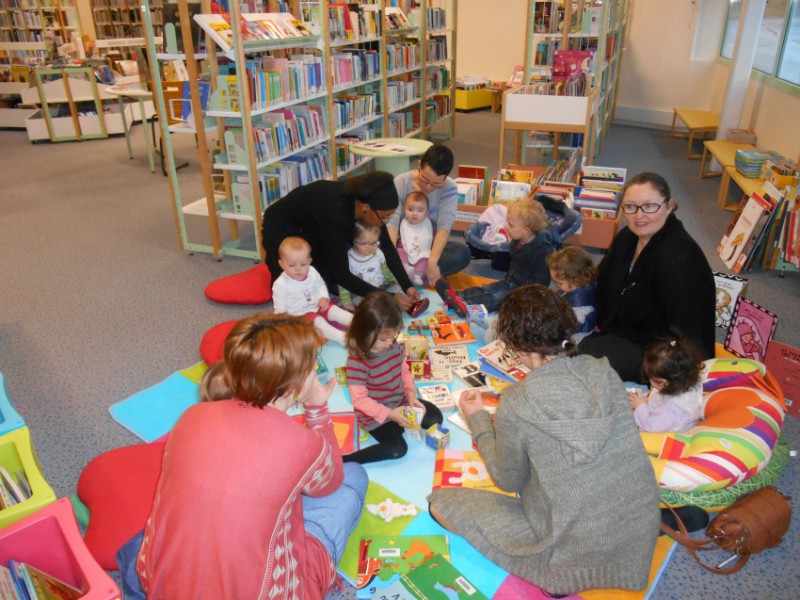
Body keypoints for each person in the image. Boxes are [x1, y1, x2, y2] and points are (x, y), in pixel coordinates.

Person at [428, 285, 661, 596]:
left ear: (517, 347)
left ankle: (558, 576)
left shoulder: (517, 401)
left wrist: (479, 420)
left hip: (569, 549)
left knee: (440, 504)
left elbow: (507, 479)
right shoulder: (603, 370)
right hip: (636, 530)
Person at [133, 314, 368, 600]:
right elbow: (330, 483)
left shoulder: (192, 415)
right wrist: (317, 409)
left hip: (162, 583)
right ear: (293, 386)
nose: (315, 373)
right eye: (311, 368)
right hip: (263, 592)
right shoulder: (301, 443)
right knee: (353, 476)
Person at [578, 172, 715, 382]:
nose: (639, 216)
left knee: (587, 361)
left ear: (669, 206)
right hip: (622, 330)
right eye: (630, 207)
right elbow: (602, 283)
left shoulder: (681, 259)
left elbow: (687, 335)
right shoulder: (628, 238)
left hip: (657, 350)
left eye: (649, 206)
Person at [262, 171, 421, 311]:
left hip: (316, 224)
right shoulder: (335, 213)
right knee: (297, 289)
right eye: (385, 216)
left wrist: (407, 286)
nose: (387, 221)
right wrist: (389, 297)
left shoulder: (367, 205)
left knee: (329, 280)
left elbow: (386, 246)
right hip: (283, 226)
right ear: (366, 207)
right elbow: (341, 274)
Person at [343, 292, 443, 464]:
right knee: (397, 450)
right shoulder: (357, 362)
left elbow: (403, 370)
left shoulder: (392, 346)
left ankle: (402, 422)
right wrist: (389, 414)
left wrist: (411, 393)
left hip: (401, 403)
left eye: (394, 336)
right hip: (377, 417)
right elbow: (359, 401)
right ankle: (348, 459)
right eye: (384, 338)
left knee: (435, 418)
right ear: (363, 332)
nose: (390, 342)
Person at [435, 197, 554, 316]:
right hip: (511, 281)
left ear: (527, 230)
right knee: (489, 289)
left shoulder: (542, 250)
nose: (506, 226)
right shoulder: (518, 240)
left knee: (497, 298)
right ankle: (460, 295)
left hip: (526, 293)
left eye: (511, 225)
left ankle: (466, 303)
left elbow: (542, 282)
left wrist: (530, 301)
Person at [388, 144, 472, 283]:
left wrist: (432, 262)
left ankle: (413, 274)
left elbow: (444, 227)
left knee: (461, 253)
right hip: (400, 244)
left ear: (446, 177)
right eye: (424, 180)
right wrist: (391, 257)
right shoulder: (401, 182)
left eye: (436, 184)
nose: (428, 187)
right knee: (366, 247)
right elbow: (392, 222)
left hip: (427, 246)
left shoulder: (449, 187)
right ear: (419, 165)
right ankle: (416, 274)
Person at [272, 236, 353, 345]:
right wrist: (289, 327)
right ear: (282, 264)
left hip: (318, 306)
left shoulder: (312, 271)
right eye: (291, 265)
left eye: (303, 264)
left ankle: (360, 323)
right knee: (319, 322)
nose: (298, 269)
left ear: (309, 261)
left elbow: (320, 285)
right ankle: (343, 338)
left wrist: (324, 297)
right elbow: (280, 311)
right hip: (299, 317)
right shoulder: (280, 284)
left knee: (335, 310)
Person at [629, 337, 705, 432]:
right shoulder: (685, 381)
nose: (649, 380)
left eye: (651, 378)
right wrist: (647, 402)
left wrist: (640, 407)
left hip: (661, 433)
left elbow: (651, 427)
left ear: (665, 383)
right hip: (663, 419)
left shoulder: (671, 408)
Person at [338, 222, 401, 310]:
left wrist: (394, 281)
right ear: (354, 241)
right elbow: (343, 283)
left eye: (375, 243)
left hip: (382, 287)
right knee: (370, 306)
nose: (370, 247)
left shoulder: (378, 253)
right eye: (365, 243)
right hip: (362, 294)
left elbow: (385, 270)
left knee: (399, 292)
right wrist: (346, 302)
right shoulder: (349, 259)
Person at [546, 246, 597, 342]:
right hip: (570, 318)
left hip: (578, 334)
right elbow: (564, 293)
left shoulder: (580, 303)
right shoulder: (574, 287)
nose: (557, 285)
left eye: (559, 283)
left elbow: (572, 327)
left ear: (576, 280)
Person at [397, 191, 434, 286]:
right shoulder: (402, 222)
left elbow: (435, 238)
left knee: (425, 260)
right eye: (410, 209)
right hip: (404, 248)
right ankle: (405, 269)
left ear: (427, 212)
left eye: (420, 211)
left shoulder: (430, 224)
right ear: (404, 209)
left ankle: (418, 275)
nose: (414, 214)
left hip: (422, 252)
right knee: (399, 252)